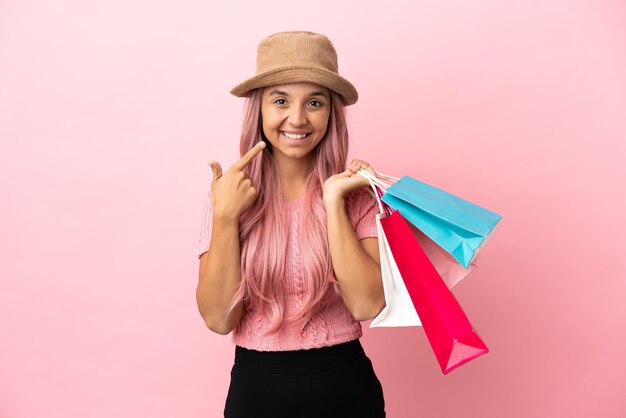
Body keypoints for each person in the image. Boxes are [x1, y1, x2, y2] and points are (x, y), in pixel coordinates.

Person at [196, 31, 387, 418]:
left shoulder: (356, 195)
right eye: (280, 100)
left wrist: (334, 202)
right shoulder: (230, 194)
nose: (297, 118)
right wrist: (225, 215)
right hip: (256, 390)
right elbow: (218, 318)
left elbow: (367, 304)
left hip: (346, 391)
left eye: (314, 102)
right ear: (259, 109)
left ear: (331, 113)